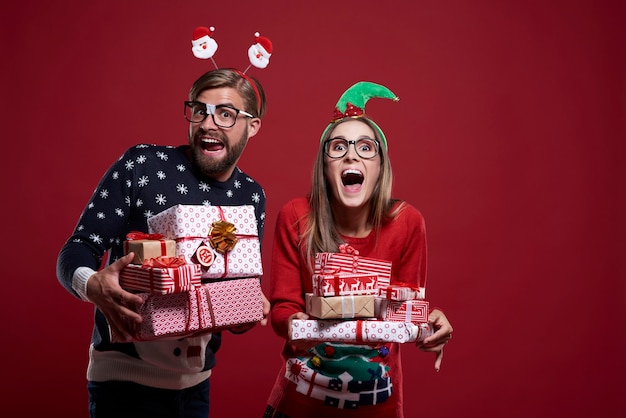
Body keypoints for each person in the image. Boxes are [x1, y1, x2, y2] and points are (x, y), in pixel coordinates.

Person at [56, 68, 270, 418]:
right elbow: (76, 249)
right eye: (199, 110)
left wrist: (247, 307)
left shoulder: (251, 196)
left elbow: (232, 303)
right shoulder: (142, 165)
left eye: (226, 113)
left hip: (196, 385)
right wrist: (91, 283)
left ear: (253, 125)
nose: (207, 124)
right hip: (123, 385)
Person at [263, 81, 453, 418]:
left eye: (366, 147)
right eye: (338, 147)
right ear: (324, 165)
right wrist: (302, 325)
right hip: (300, 404)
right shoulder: (296, 216)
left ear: (381, 167)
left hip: (379, 405)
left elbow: (407, 306)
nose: (351, 154)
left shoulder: (408, 222)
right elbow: (282, 309)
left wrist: (429, 322)